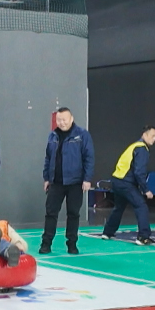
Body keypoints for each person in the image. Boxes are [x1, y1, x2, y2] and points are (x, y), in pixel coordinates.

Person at [40, 106, 94, 255]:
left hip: (75, 182)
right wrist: (47, 178)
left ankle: (72, 244)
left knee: (73, 214)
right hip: (56, 183)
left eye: (64, 119)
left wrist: (87, 179)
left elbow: (89, 158)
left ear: (71, 119)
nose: (62, 122)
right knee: (51, 213)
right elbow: (48, 158)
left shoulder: (82, 135)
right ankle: (46, 244)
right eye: (59, 120)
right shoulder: (52, 136)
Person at [101, 127, 155, 244]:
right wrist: (146, 190)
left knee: (119, 207)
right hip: (126, 183)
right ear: (144, 135)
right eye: (152, 136)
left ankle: (107, 232)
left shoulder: (134, 146)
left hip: (116, 181)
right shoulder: (142, 149)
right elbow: (139, 172)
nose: (154, 139)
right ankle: (143, 237)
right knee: (141, 206)